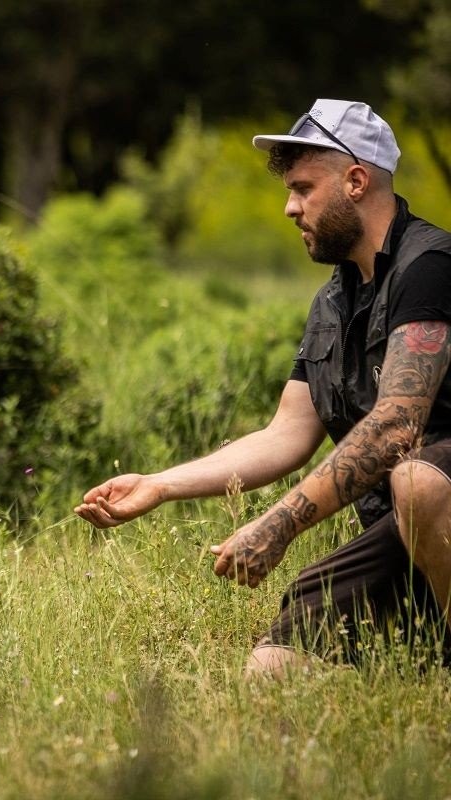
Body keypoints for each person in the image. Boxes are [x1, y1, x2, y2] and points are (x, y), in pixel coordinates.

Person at [74, 98, 451, 677]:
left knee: (418, 480)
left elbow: (397, 426)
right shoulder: (334, 300)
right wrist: (158, 485)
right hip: (398, 535)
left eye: (303, 188)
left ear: (355, 180)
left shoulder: (430, 267)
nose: (288, 208)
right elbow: (286, 434)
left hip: (435, 506)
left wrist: (279, 524)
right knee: (274, 670)